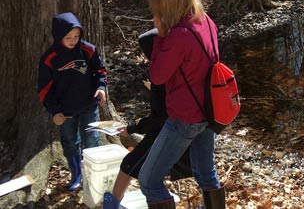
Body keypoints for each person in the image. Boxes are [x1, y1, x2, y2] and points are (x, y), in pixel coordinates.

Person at [138, 0, 225, 209]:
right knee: (205, 172)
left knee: (149, 180)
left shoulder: (178, 36)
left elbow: (157, 76)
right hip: (209, 111)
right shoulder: (206, 21)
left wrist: (160, 37)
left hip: (185, 117)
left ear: (164, 3)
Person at [102, 29, 192, 209]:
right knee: (199, 168)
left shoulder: (161, 78)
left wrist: (133, 128)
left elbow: (159, 118)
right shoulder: (178, 69)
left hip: (163, 133)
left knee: (130, 165)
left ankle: (112, 204)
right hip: (187, 128)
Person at [37, 12, 107, 191]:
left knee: (92, 139)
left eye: (76, 36)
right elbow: (45, 88)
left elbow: (100, 70)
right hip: (65, 110)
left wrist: (101, 87)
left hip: (89, 105)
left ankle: (93, 176)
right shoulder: (49, 58)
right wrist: (54, 111)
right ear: (58, 36)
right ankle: (76, 174)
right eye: (68, 37)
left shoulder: (88, 50)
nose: (73, 40)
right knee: (69, 141)